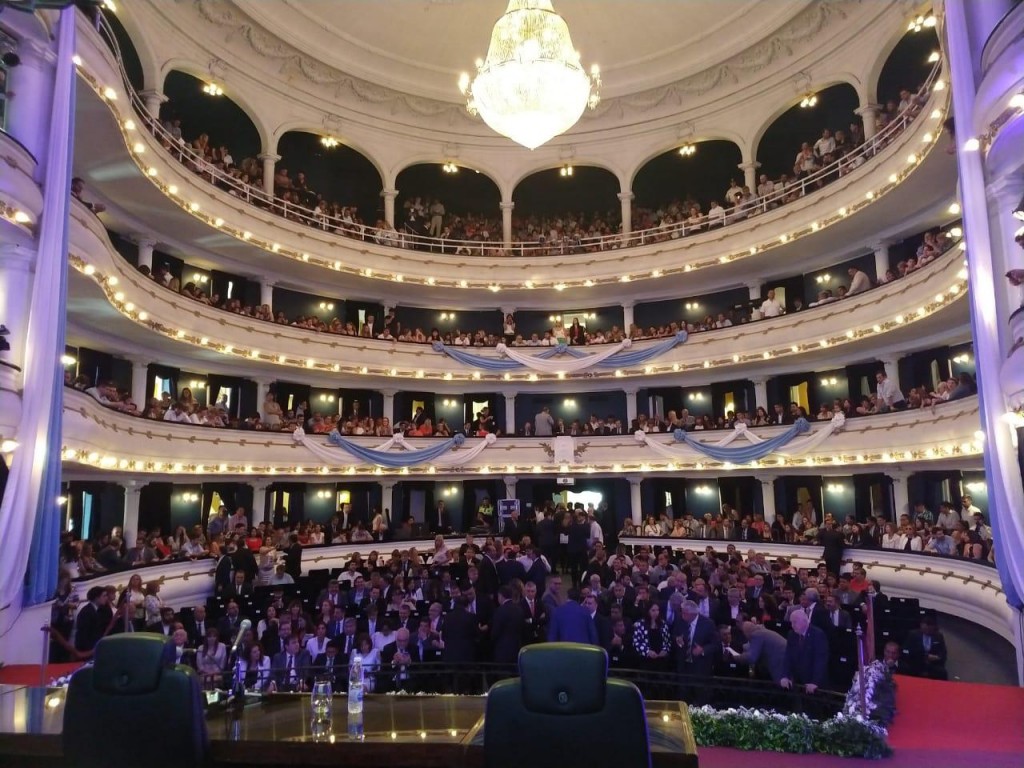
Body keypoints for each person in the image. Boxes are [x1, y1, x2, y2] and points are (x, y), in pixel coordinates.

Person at [781, 609, 829, 693]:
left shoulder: (818, 635)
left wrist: (815, 682)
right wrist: (785, 676)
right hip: (797, 681)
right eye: (791, 622)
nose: (792, 625)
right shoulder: (792, 634)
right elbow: (788, 657)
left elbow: (820, 661)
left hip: (813, 683)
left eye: (795, 622)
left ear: (804, 621)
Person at [903, 615, 948, 679]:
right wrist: (923, 656)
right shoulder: (913, 634)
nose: (927, 631)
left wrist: (937, 657)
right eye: (925, 629)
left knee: (942, 672)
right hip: (916, 662)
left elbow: (943, 653)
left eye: (930, 630)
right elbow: (906, 650)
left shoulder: (938, 636)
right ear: (921, 625)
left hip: (932, 664)